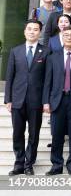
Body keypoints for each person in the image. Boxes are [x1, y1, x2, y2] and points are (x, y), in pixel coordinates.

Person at [4, 20, 50, 176]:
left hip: (36, 100)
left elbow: (47, 79)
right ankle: (18, 163)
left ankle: (29, 164)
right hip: (17, 99)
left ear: (40, 33)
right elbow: (9, 77)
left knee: (34, 134)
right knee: (18, 133)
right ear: (25, 32)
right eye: (29, 29)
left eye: (35, 29)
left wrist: (46, 101)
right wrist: (8, 99)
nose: (32, 32)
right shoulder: (15, 51)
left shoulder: (46, 51)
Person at [43, 26, 71, 176]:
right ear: (62, 37)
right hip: (57, 100)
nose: (69, 37)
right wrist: (46, 101)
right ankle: (56, 164)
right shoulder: (53, 56)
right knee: (57, 134)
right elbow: (47, 81)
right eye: (66, 35)